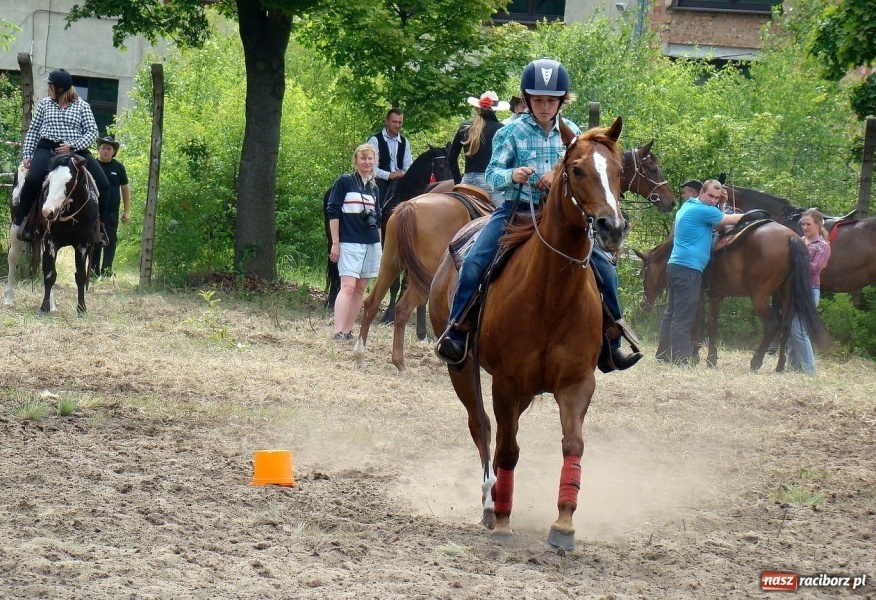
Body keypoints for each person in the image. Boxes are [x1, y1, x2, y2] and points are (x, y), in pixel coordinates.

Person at [436, 58, 642, 370]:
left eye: (551, 101)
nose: (545, 107)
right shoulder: (510, 131)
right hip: (515, 211)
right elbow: (491, 176)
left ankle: (613, 338)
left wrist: (555, 176)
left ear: (562, 101)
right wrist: (513, 175)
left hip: (561, 217)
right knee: (477, 258)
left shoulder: (574, 135)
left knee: (604, 266)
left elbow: (585, 173)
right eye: (538, 100)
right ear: (528, 100)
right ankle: (458, 330)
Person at [15, 68, 109, 243]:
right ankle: (24, 223)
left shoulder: (82, 106)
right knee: (33, 180)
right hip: (47, 148)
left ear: (59, 89)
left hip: (75, 151)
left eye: (50, 86)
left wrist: (73, 146)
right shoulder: (44, 104)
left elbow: (92, 132)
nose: (47, 89)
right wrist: (28, 154)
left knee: (104, 184)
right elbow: (34, 131)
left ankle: (99, 228)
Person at [657, 180, 744, 364]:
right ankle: (679, 358)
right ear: (701, 192)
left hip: (675, 266)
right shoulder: (703, 210)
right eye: (710, 196)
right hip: (688, 269)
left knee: (672, 312)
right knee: (684, 315)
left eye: (716, 198)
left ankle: (663, 354)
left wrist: (721, 204)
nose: (712, 200)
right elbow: (730, 220)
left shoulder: (689, 204)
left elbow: (718, 224)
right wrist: (754, 215)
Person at [326, 144, 383, 341]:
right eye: (363, 158)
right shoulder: (345, 181)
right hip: (349, 241)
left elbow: (379, 219)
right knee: (348, 285)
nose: (367, 162)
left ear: (375, 161)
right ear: (356, 160)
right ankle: (337, 331)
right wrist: (335, 243)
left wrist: (380, 248)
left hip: (371, 243)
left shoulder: (374, 188)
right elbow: (333, 211)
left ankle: (348, 330)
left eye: (370, 159)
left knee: (360, 288)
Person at [785, 208, 831, 375]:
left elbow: (815, 268)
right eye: (803, 224)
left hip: (810, 290)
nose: (805, 227)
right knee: (791, 330)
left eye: (808, 224)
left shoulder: (823, 246)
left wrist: (797, 257)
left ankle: (809, 371)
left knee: (799, 330)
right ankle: (794, 368)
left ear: (818, 225)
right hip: (794, 289)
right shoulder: (800, 240)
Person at [447, 91, 509, 207]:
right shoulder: (500, 129)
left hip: (466, 181)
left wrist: (458, 182)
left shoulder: (465, 127)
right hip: (488, 183)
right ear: (495, 110)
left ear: (478, 108)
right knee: (508, 214)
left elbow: (451, 158)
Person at [91, 135, 131, 276]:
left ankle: (107, 270)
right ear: (98, 150)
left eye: (109, 149)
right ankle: (93, 271)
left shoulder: (118, 167)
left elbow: (125, 188)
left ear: (113, 152)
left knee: (111, 239)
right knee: (94, 239)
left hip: (112, 211)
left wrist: (127, 211)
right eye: (103, 148)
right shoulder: (93, 165)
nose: (106, 151)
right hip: (95, 211)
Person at [366, 109, 413, 205]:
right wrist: (390, 175)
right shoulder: (375, 140)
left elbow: (408, 165)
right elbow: (370, 168)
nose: (397, 125)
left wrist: (402, 174)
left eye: (400, 122)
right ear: (386, 121)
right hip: (379, 181)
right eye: (394, 122)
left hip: (399, 182)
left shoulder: (404, 142)